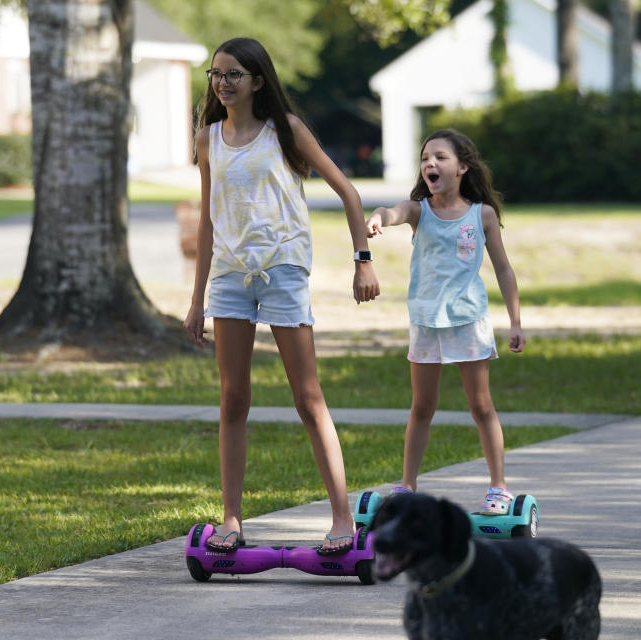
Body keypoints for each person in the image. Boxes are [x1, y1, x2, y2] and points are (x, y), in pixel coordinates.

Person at [183, 37, 380, 554]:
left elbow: (348, 191)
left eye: (233, 75)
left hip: (283, 270)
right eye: (216, 74)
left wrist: (363, 261)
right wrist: (196, 296)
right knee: (232, 399)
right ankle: (231, 519)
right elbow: (208, 220)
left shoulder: (285, 131)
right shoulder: (208, 139)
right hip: (229, 278)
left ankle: (342, 518)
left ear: (257, 81)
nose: (222, 83)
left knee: (307, 397)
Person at [365, 129, 526, 516]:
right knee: (422, 406)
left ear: (462, 167)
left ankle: (499, 487)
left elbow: (503, 268)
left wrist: (515, 320)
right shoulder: (420, 210)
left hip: (468, 321)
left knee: (481, 405)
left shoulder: (481, 215)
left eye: (439, 157)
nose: (429, 164)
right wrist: (378, 218)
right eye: (424, 158)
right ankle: (407, 485)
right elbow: (395, 211)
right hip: (425, 322)